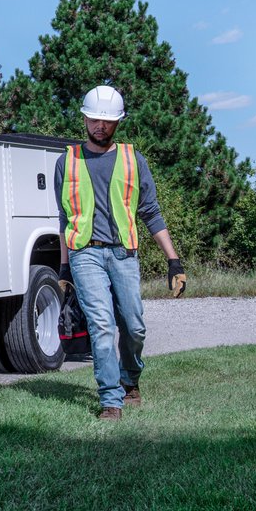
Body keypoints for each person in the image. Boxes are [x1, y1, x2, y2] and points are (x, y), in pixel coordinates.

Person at [54, 85, 187, 420]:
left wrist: (174, 260)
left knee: (134, 324)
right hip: (85, 253)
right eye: (95, 119)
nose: (101, 126)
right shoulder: (66, 162)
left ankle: (130, 379)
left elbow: (151, 212)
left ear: (117, 123)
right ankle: (111, 399)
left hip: (124, 254)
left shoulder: (132, 159)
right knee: (101, 324)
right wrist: (64, 269)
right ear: (84, 118)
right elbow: (64, 219)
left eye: (108, 121)